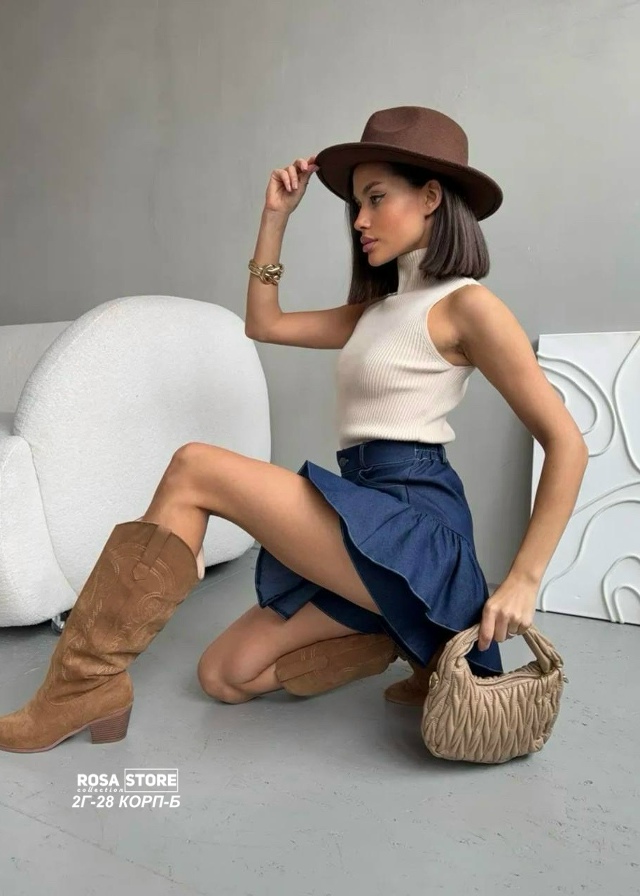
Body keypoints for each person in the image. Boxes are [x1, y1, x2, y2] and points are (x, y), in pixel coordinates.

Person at [0, 106, 588, 753]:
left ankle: (82, 687)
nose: (359, 220)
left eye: (375, 198)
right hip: (364, 512)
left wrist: (524, 578)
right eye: (355, 205)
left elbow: (567, 443)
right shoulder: (377, 310)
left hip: (416, 527)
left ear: (430, 198)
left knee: (195, 466)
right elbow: (265, 324)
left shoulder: (469, 305)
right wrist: (275, 218)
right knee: (224, 675)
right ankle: (389, 632)